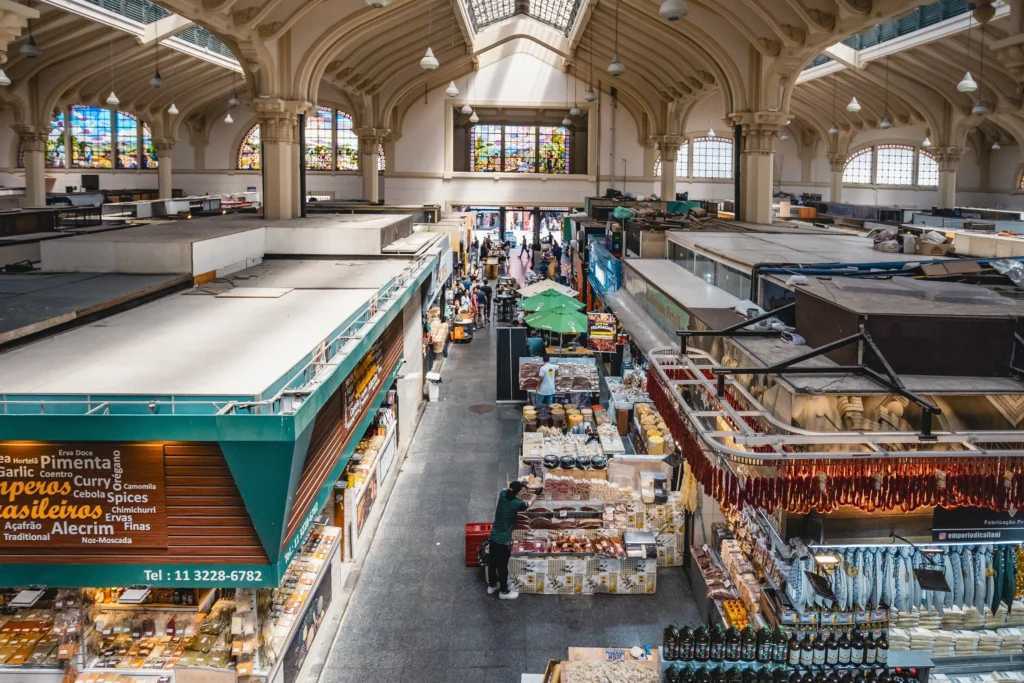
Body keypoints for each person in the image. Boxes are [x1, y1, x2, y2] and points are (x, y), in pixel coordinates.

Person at [487, 481, 531, 599]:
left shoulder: (502, 495)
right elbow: (528, 504)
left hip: (493, 537)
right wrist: (536, 494)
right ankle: (504, 591)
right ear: (518, 492)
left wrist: (519, 486)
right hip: (503, 541)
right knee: (502, 566)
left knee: (492, 563)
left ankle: (492, 585)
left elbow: (509, 490)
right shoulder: (516, 503)